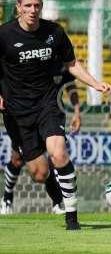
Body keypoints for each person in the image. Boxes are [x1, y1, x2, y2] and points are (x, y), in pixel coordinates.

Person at [0, 0, 111, 230]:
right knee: (39, 173)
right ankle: (15, 196)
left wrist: (95, 83)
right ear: (18, 7)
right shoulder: (4, 35)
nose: (32, 10)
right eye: (27, 5)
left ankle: (71, 215)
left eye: (37, 5)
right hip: (17, 113)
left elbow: (72, 64)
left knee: (59, 153)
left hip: (48, 104)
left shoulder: (55, 33)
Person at [0, 66, 81, 215]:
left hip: (49, 114)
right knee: (18, 159)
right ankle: (7, 198)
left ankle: (58, 202)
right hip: (22, 115)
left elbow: (70, 84)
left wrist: (77, 111)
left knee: (56, 156)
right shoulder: (17, 52)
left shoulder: (57, 55)